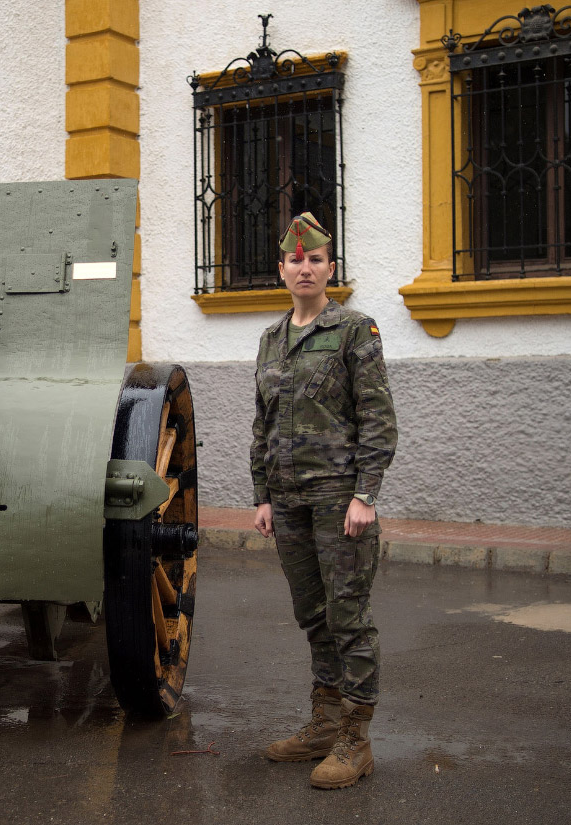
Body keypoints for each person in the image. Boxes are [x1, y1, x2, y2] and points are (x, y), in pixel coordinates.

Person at [250, 212, 397, 789]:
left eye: (315, 260)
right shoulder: (270, 340)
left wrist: (366, 493)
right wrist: (262, 494)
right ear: (281, 270)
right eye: (295, 260)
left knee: (348, 619)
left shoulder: (356, 331)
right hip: (287, 502)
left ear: (329, 269)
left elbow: (379, 420)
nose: (304, 267)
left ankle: (355, 739)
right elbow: (261, 424)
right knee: (313, 617)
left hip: (340, 500)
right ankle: (324, 723)